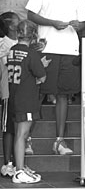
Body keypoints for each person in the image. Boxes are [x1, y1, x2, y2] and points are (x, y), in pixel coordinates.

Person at [26, 0, 85, 155]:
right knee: (40, 93)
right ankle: (27, 139)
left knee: (64, 95)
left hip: (69, 49)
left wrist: (78, 25)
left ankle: (59, 141)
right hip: (48, 47)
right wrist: (52, 23)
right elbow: (31, 14)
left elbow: (83, 21)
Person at [6, 20, 46, 184]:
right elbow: (42, 76)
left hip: (14, 97)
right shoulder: (31, 54)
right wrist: (42, 64)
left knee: (18, 135)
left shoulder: (12, 51)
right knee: (22, 135)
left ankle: (19, 167)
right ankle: (20, 172)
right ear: (34, 36)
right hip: (26, 99)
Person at [0, 12, 19, 178]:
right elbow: (9, 63)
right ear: (11, 26)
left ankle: (18, 162)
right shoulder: (2, 44)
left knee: (19, 128)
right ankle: (7, 163)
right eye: (17, 21)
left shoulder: (22, 42)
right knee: (8, 129)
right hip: (8, 91)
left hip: (22, 92)